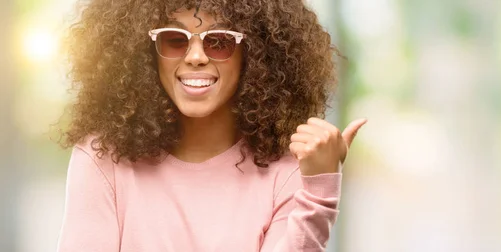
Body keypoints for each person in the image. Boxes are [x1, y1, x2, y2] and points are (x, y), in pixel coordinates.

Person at [56, 0, 366, 251]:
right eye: (174, 40)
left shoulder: (287, 171)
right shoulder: (102, 159)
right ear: (146, 52)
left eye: (219, 42)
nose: (195, 56)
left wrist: (319, 194)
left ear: (255, 53)